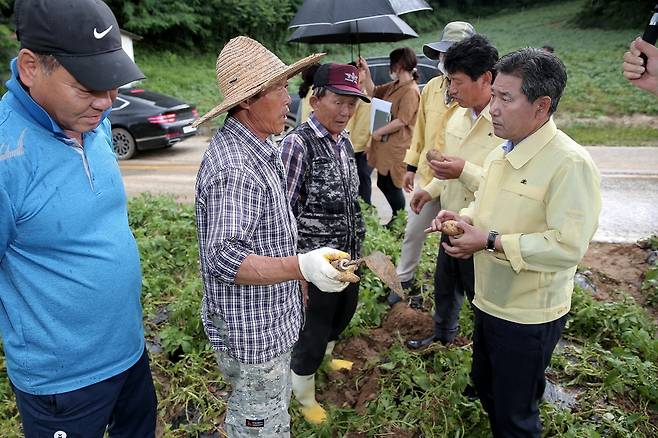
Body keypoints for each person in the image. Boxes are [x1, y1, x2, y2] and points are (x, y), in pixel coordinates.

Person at [0, 0, 157, 436]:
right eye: (89, 86)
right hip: (62, 386)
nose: (107, 102)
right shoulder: (5, 156)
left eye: (113, 84)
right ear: (31, 68)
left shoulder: (95, 122)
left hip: (129, 353)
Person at [427, 48, 601, 437]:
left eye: (506, 98)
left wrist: (488, 241)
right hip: (490, 302)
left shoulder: (569, 164)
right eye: (494, 97)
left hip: (527, 317)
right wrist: (463, 219)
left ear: (542, 106)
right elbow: (482, 203)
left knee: (516, 415)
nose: (494, 109)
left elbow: (568, 246)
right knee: (488, 389)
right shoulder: (500, 153)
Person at [193, 37, 355, 437]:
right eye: (280, 88)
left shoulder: (261, 147)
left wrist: (295, 276)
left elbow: (272, 233)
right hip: (253, 336)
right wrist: (300, 264)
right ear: (248, 100)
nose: (289, 99)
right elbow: (224, 257)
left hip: (270, 319)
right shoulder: (235, 168)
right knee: (260, 426)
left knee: (270, 413)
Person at [280, 63, 370, 425]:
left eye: (352, 104)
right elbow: (282, 217)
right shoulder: (297, 145)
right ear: (316, 100)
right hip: (314, 268)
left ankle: (328, 360)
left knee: (341, 316)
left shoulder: (343, 141)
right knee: (312, 333)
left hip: (346, 263)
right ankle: (303, 396)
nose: (346, 112)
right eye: (339, 102)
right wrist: (296, 270)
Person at [406, 34, 502, 349]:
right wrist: (431, 189)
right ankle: (443, 337)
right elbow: (448, 168)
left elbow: (504, 184)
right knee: (446, 285)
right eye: (449, 81)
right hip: (451, 219)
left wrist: (464, 170)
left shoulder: (505, 123)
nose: (451, 90)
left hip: (483, 228)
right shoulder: (457, 117)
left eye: (457, 82)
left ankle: (485, 356)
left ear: (486, 79)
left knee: (482, 297)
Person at [389, 21, 476, 306]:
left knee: (457, 242)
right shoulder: (432, 89)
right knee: (414, 231)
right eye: (445, 55)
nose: (447, 62)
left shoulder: (479, 96)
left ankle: (462, 299)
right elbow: (421, 131)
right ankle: (403, 279)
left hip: (463, 185)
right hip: (429, 178)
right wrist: (411, 167)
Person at [358, 47, 421, 222]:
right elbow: (373, 92)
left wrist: (379, 131)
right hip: (385, 146)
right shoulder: (395, 86)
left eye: (392, 64)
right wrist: (367, 72)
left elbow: (403, 120)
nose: (390, 68)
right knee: (382, 181)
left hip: (397, 147)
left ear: (399, 65)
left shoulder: (411, 90)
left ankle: (399, 221)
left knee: (392, 184)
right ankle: (397, 220)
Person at [345, 61, 373, 204]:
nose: (359, 85)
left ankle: (366, 209)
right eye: (357, 82)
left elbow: (379, 122)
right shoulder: (346, 98)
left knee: (363, 177)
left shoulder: (370, 97)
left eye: (362, 82)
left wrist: (371, 142)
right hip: (348, 144)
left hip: (364, 147)